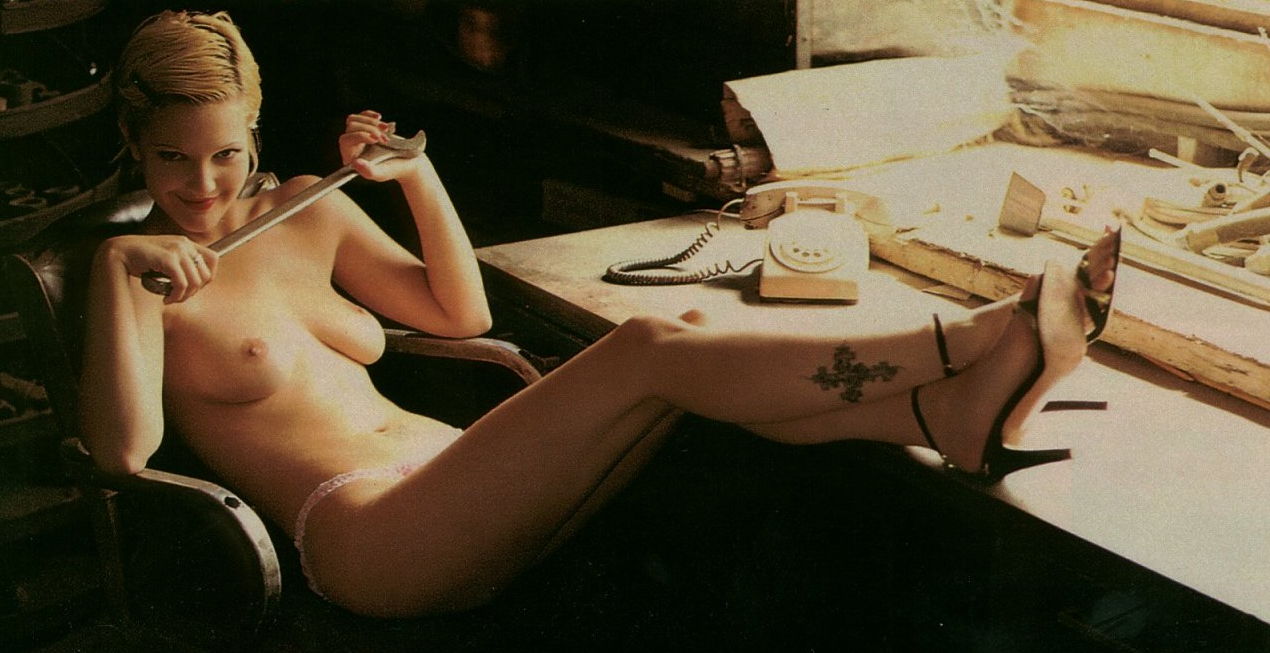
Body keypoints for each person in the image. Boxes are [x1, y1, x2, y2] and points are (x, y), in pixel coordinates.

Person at [80, 10, 1120, 618]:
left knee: (691, 340)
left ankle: (937, 413)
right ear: (134, 145)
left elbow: (457, 311)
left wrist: (415, 176)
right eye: (173, 159)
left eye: (225, 154)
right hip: (373, 539)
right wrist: (123, 266)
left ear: (255, 132)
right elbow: (123, 454)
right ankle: (968, 339)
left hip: (458, 475)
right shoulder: (136, 276)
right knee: (653, 345)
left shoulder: (305, 208)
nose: (204, 185)